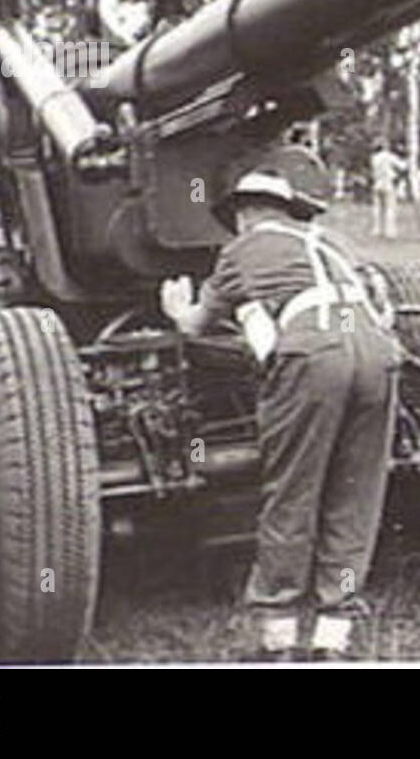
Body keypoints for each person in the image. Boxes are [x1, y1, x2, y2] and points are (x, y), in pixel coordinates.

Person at [160, 145, 399, 660]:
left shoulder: (240, 251)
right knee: (355, 492)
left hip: (314, 354)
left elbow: (196, 326)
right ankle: (334, 636)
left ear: (243, 212)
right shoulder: (328, 239)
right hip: (377, 352)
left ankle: (278, 635)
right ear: (286, 209)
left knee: (293, 491)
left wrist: (177, 307)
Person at [369, 141, 407, 238]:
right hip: (388, 184)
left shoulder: (373, 158)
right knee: (390, 208)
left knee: (377, 209)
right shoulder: (388, 156)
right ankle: (390, 232)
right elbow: (402, 166)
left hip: (377, 184)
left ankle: (376, 230)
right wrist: (407, 160)